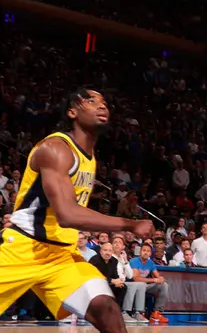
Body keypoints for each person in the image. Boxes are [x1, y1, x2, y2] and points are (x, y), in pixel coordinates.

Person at [0, 88, 154, 333]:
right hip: (24, 248)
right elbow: (67, 215)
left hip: (61, 256)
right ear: (72, 112)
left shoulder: (89, 157)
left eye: (104, 102)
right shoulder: (55, 148)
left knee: (106, 307)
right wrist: (129, 224)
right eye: (91, 101)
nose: (102, 106)